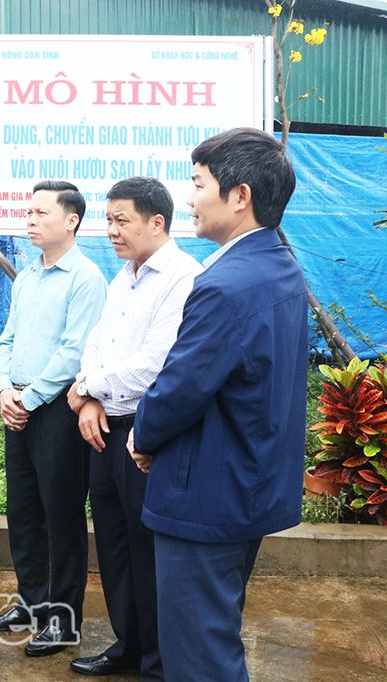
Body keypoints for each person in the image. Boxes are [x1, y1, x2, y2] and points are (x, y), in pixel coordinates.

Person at [128, 128, 306, 681]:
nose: (189, 198)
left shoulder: (225, 284)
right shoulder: (278, 266)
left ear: (240, 196)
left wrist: (142, 435)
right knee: (213, 638)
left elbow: (180, 387)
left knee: (199, 656)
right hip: (243, 484)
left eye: (198, 184)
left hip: (205, 496)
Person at [65, 177, 202, 679]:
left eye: (121, 219)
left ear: (157, 222)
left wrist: (87, 388)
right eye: (110, 219)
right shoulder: (125, 274)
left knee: (148, 551)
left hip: (147, 433)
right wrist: (87, 396)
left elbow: (156, 365)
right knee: (116, 544)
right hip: (105, 426)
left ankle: (157, 660)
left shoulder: (183, 278)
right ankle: (127, 643)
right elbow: (98, 341)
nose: (111, 230)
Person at [0, 180, 106, 656]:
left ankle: (63, 618)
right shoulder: (29, 274)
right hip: (21, 406)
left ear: (71, 220)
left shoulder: (85, 278)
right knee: (24, 511)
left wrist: (28, 399)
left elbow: (75, 351)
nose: (29, 220)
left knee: (62, 515)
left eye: (40, 213)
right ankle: (31, 602)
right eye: (27, 213)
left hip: (56, 411)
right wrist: (4, 389)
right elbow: (7, 338)